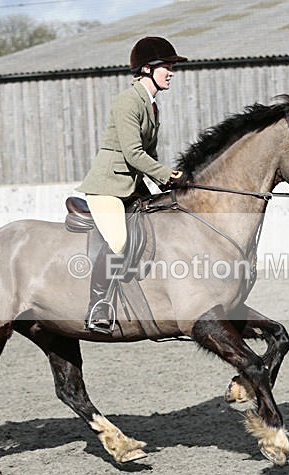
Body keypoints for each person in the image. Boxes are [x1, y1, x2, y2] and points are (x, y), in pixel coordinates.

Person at [76, 36, 189, 334]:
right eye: (167, 67)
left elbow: (150, 155)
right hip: (108, 186)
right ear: (147, 68)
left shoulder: (151, 105)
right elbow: (133, 153)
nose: (171, 73)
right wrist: (168, 175)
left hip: (132, 184)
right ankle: (98, 306)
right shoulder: (128, 101)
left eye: (171, 67)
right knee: (117, 240)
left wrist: (168, 185)